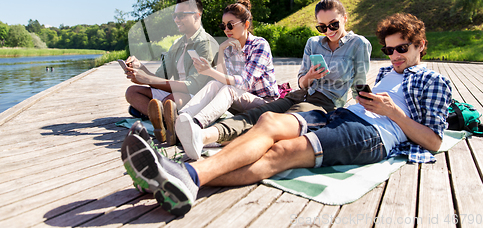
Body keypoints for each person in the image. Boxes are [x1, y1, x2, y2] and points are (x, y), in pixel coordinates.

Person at [120, 13, 453, 216]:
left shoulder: (433, 79)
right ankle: (173, 178)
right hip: (344, 115)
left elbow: (434, 142)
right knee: (268, 121)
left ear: (420, 45)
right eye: (389, 49)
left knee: (281, 153)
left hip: (373, 135)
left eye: (401, 49)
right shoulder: (386, 74)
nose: (393, 55)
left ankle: (184, 177)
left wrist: (392, 112)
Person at [176, 0, 372, 160]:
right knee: (259, 114)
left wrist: (360, 113)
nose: (329, 31)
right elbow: (302, 82)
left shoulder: (358, 44)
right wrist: (310, 76)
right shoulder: (313, 43)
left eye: (333, 24)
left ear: (345, 18)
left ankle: (211, 139)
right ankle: (200, 136)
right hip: (300, 94)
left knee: (274, 122)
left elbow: (360, 84)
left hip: (326, 102)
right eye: (322, 27)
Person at [171, 0, 279, 159]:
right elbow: (221, 78)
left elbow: (245, 83)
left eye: (230, 25)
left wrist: (210, 71)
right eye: (223, 26)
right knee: (215, 84)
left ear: (246, 24)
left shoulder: (259, 45)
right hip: (239, 99)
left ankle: (195, 127)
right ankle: (181, 120)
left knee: (227, 88)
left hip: (265, 102)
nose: (226, 30)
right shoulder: (229, 46)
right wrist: (221, 50)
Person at [123, 0, 217, 144]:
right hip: (176, 93)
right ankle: (164, 120)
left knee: (172, 100)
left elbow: (194, 86)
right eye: (175, 15)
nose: (176, 20)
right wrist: (140, 68)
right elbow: (160, 76)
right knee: (132, 92)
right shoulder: (178, 44)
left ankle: (156, 117)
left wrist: (146, 79)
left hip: (196, 95)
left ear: (197, 16)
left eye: (181, 15)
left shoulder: (205, 43)